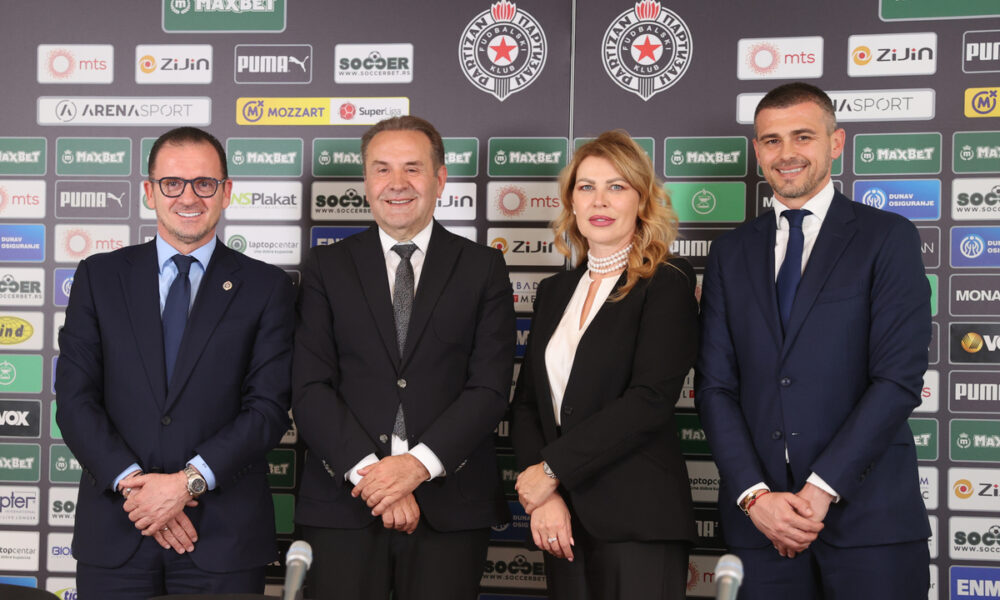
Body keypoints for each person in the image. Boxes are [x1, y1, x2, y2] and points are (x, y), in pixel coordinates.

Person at [696, 82, 931, 598]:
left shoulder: (886, 237)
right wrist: (756, 498)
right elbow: (714, 387)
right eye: (771, 140)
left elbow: (896, 379)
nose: (787, 154)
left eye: (803, 136)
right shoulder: (730, 253)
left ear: (836, 141)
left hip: (871, 525)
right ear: (757, 150)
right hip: (760, 531)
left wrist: (819, 491)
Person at [55, 127, 295, 598]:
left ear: (226, 192)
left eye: (204, 183)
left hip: (223, 540)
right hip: (119, 529)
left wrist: (184, 486)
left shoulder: (268, 287)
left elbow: (267, 409)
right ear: (149, 191)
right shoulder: (100, 278)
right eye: (173, 183)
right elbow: (75, 399)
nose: (189, 196)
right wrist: (139, 490)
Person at [292, 115, 515, 599]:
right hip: (344, 503)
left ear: (440, 179)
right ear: (366, 181)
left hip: (449, 507)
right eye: (382, 169)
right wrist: (375, 478)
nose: (397, 184)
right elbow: (309, 387)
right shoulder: (327, 267)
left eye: (413, 168)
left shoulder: (483, 268)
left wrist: (415, 467)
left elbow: (490, 388)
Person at [510, 130, 699, 599]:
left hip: (638, 518)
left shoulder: (667, 282)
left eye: (617, 186)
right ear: (571, 201)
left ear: (642, 200)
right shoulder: (555, 292)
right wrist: (547, 497)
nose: (600, 199)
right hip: (562, 520)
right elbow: (528, 405)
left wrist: (550, 471)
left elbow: (649, 400)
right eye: (586, 186)